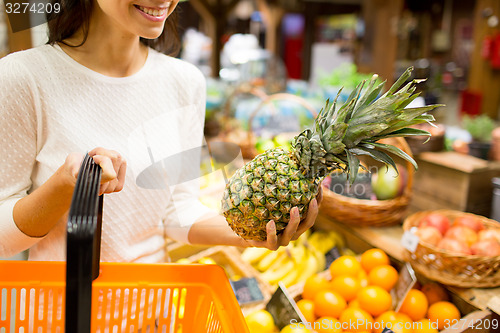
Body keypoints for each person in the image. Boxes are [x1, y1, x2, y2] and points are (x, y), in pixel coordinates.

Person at [0, 0, 319, 262]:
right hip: (60, 312)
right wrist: (62, 188)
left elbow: (177, 210)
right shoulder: (24, 77)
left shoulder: (185, 82)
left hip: (152, 309)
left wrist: (253, 234)